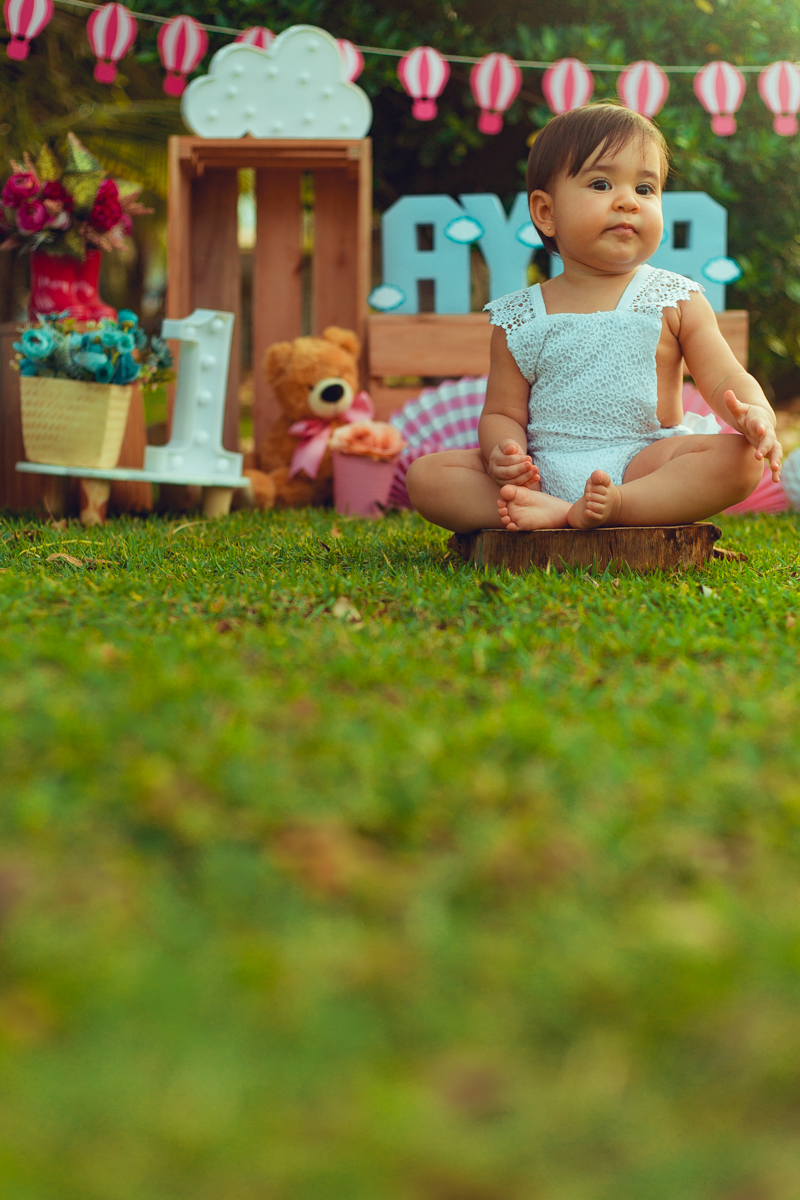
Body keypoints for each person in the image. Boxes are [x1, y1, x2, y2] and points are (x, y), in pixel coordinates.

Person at [406, 103, 782, 534]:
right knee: (429, 476)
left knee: (739, 460)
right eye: (602, 184)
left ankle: (618, 506)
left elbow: (723, 379)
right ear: (546, 213)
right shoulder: (519, 315)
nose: (627, 202)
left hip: (642, 462)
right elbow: (502, 411)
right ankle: (551, 507)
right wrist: (504, 452)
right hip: (542, 469)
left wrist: (754, 414)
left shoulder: (674, 298)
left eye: (645, 189)